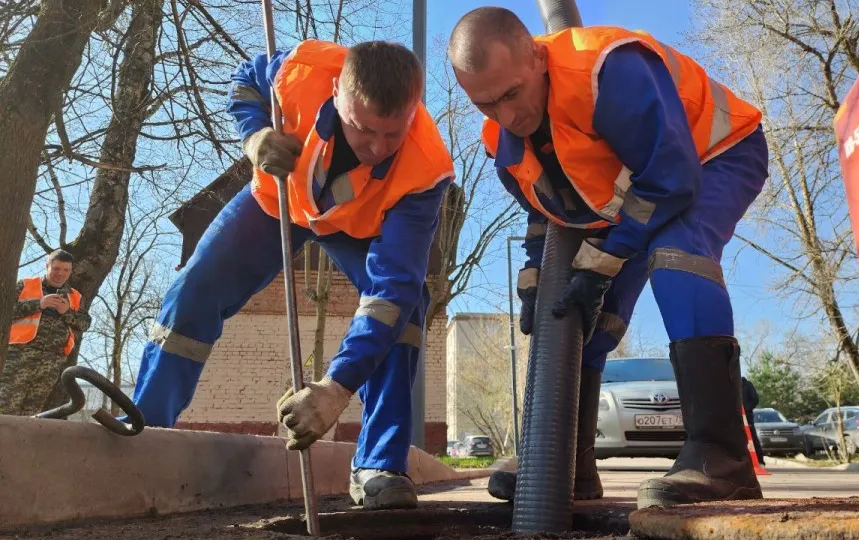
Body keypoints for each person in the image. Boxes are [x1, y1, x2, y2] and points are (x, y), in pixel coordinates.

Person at [448, 7, 769, 508]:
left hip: (713, 156)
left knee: (676, 254)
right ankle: (563, 464)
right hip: (632, 196)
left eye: (511, 93)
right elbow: (546, 213)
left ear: (537, 55)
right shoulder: (502, 146)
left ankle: (721, 455)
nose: (506, 115)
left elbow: (670, 178)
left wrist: (606, 261)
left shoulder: (607, 71)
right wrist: (536, 279)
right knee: (584, 312)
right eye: (485, 104)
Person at [129, 39, 455, 510]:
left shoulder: (426, 171)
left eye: (393, 133)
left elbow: (393, 288)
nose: (377, 148)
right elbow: (245, 83)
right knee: (194, 289)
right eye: (363, 130)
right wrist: (255, 136)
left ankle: (379, 466)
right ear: (338, 94)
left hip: (359, 228)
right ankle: (149, 428)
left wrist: (333, 389)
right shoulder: (298, 72)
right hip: (276, 202)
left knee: (402, 315)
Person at [1, 249, 91, 415]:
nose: (60, 274)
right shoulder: (25, 285)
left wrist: (67, 312)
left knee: (33, 413)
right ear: (47, 266)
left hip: (51, 361)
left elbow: (85, 323)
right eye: (56, 269)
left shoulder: (75, 296)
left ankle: (22, 441)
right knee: (6, 407)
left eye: (66, 270)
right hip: (19, 356)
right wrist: (39, 304)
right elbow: (4, 312)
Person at [742, 376, 765, 465]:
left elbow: (755, 399)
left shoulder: (747, 385)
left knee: (752, 438)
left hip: (747, 416)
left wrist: (746, 409)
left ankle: (760, 461)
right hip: (734, 417)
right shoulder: (730, 386)